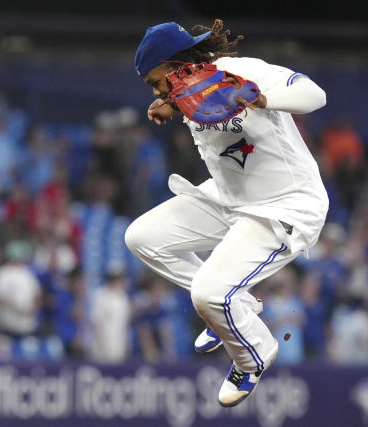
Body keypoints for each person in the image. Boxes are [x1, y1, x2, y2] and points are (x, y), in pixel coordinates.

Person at [126, 20, 328, 407]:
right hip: (229, 199)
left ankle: (252, 354)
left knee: (208, 294)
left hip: (284, 205)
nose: (154, 92)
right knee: (142, 238)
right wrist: (169, 102)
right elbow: (198, 98)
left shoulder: (244, 73)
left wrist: (261, 99)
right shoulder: (186, 91)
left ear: (174, 64)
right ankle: (238, 305)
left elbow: (313, 94)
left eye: (155, 81)